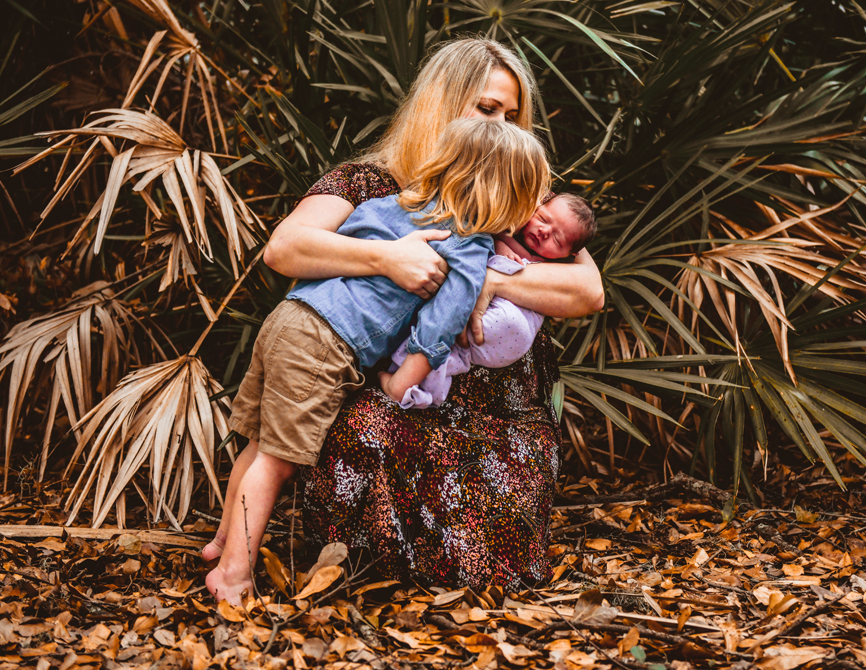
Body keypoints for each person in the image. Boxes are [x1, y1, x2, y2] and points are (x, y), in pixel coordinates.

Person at [240, 37, 604, 589]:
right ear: (442, 103)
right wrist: (388, 257)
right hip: (395, 401)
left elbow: (587, 291)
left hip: (500, 423)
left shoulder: (517, 197)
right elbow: (285, 248)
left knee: (483, 561)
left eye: (512, 115)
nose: (502, 125)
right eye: (487, 109)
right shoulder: (370, 182)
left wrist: (480, 275)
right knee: (361, 449)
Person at [204, 118, 550, 603]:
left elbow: (350, 236)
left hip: (290, 318)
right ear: (507, 198)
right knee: (277, 462)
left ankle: (223, 541)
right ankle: (234, 572)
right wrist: (402, 382)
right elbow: (440, 326)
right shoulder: (469, 246)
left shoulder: (395, 204)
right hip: (328, 343)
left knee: (259, 441)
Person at [388, 193, 597, 409]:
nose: (544, 232)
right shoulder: (518, 215)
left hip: (507, 320)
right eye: (543, 219)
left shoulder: (555, 268)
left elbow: (595, 295)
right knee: (456, 354)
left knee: (443, 331)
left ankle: (404, 381)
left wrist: (499, 244)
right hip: (510, 344)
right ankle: (421, 392)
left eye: (557, 239)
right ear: (536, 207)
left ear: (570, 254)